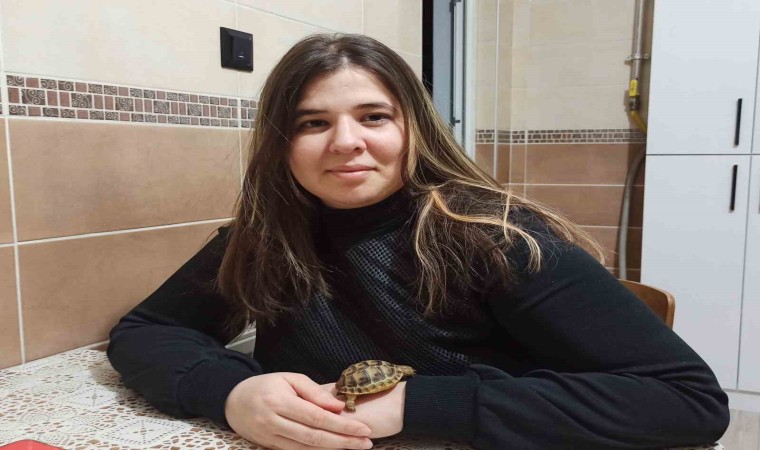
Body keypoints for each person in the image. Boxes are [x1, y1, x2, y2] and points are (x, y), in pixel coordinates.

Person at [107, 33, 729, 450]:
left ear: (414, 129)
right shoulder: (266, 237)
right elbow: (146, 330)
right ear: (281, 145)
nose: (345, 142)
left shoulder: (495, 238)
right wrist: (230, 393)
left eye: (373, 117)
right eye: (313, 123)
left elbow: (688, 401)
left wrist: (418, 405)